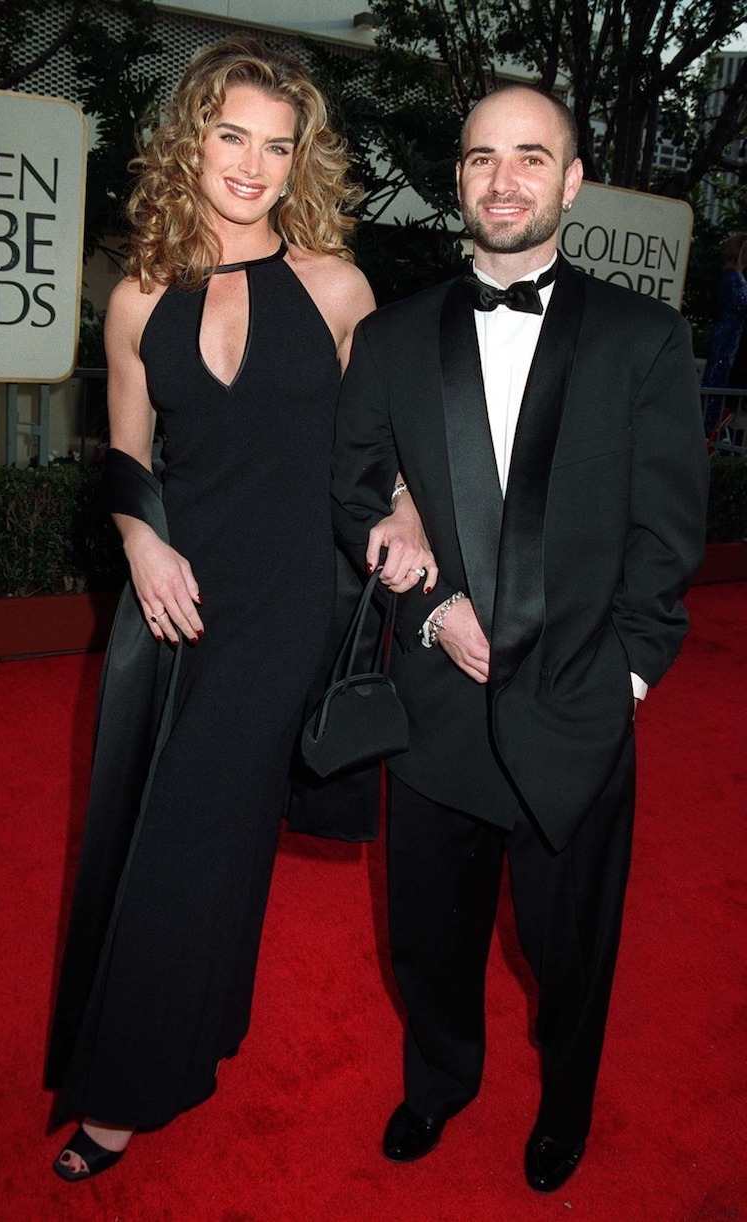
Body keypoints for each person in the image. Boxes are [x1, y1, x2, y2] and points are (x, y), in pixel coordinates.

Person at [46, 38, 432, 1182]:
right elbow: (122, 458)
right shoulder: (132, 297)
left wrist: (408, 511)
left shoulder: (336, 286)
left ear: (297, 158)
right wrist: (138, 537)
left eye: (278, 144)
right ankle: (203, 1025)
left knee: (183, 832)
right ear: (190, 142)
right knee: (184, 833)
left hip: (289, 601)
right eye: (231, 136)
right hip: (175, 596)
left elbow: (393, 441)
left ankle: (120, 1093)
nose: (254, 165)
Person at [331, 85, 709, 1193]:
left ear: (571, 179)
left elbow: (664, 531)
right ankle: (439, 1080)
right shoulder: (393, 338)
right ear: (457, 177)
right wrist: (425, 611)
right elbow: (353, 487)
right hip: (436, 708)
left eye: (529, 158)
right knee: (427, 938)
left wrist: (629, 677)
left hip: (581, 705)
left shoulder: (644, 340)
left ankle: (564, 1104)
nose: (502, 179)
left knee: (571, 947)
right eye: (481, 158)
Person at [701, 231, 747, 435]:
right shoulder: (732, 278)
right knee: (716, 383)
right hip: (727, 336)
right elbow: (740, 304)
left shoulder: (738, 277)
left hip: (734, 337)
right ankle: (706, 430)